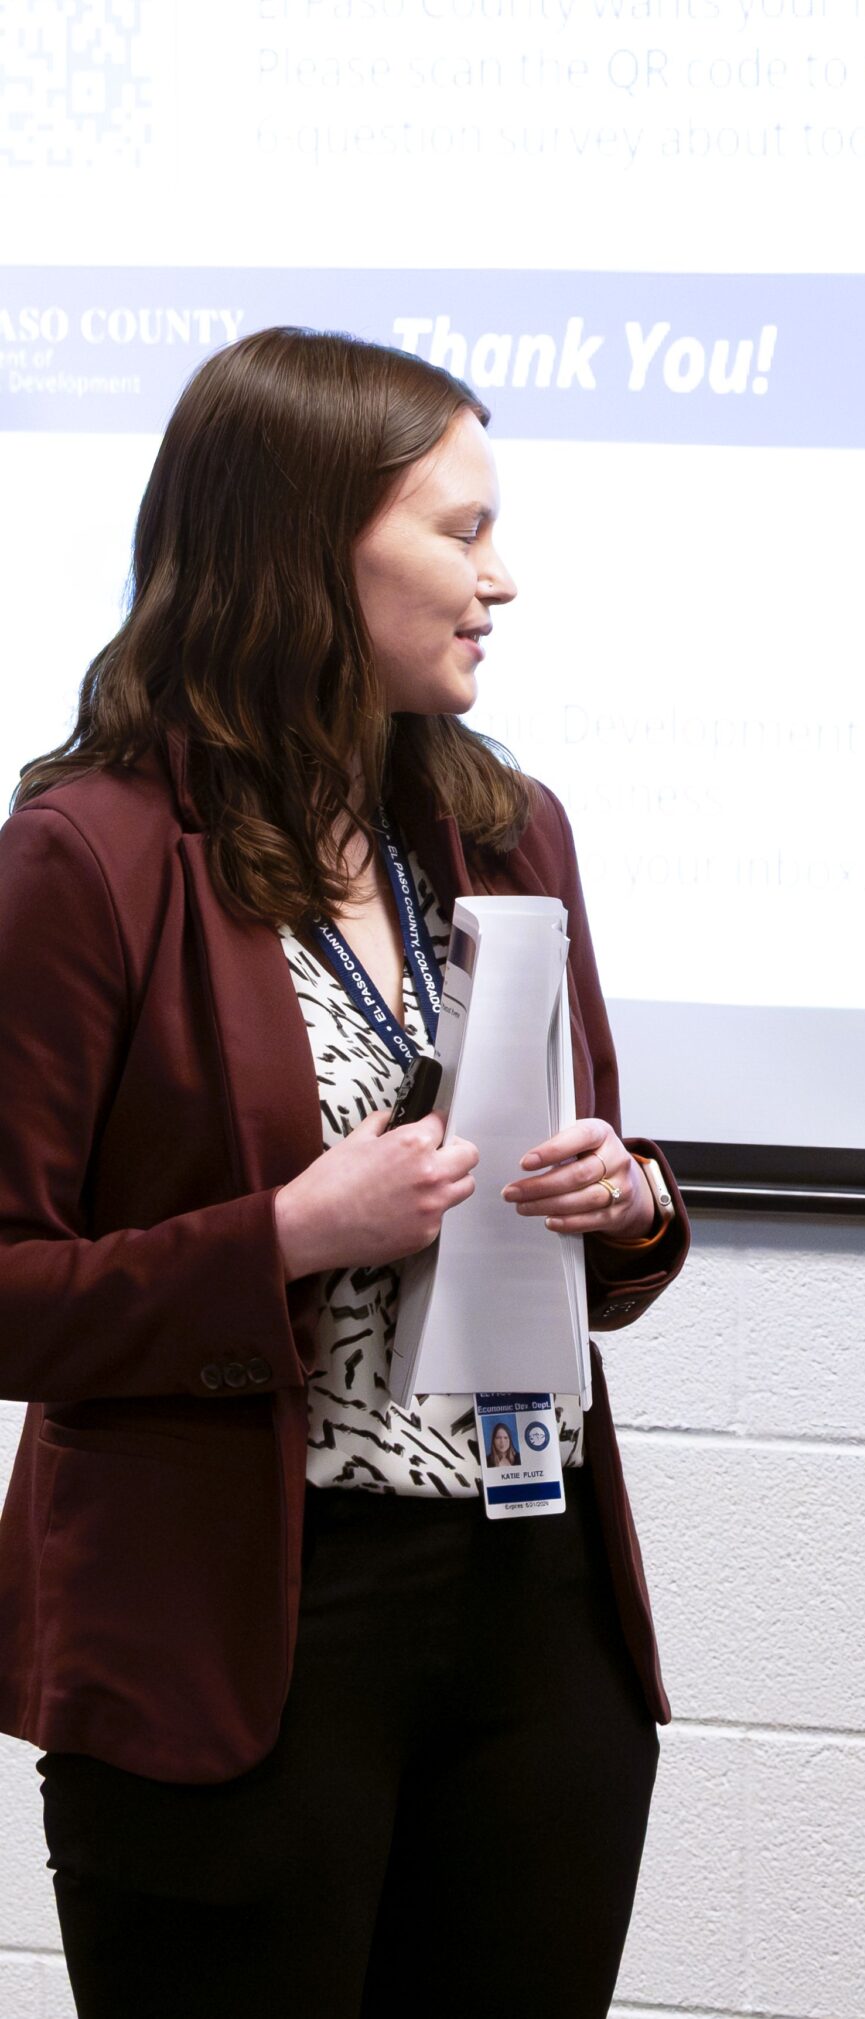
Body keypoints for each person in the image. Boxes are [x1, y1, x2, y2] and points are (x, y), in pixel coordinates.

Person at [0, 327, 690, 2018]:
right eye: (461, 531)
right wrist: (286, 1237)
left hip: (533, 1598)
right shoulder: (87, 857)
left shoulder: (506, 825)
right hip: (249, 1629)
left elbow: (594, 1179)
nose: (500, 578)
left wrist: (630, 1202)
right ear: (309, 547)